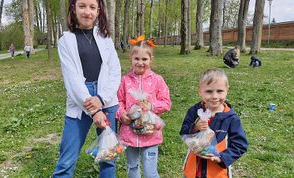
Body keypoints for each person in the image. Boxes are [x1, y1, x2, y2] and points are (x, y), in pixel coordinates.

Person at [52, 0, 121, 177]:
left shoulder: (105, 38)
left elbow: (115, 71)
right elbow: (72, 79)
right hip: (80, 100)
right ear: (73, 9)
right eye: (82, 6)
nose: (87, 12)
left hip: (107, 99)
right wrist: (94, 109)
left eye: (92, 7)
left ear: (99, 11)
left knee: (108, 157)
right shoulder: (65, 40)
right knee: (67, 159)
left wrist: (102, 99)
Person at [116, 35, 171, 178]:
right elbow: (118, 101)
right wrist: (121, 114)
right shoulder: (125, 81)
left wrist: (151, 106)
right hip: (129, 134)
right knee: (132, 167)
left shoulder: (158, 80)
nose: (140, 62)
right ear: (131, 59)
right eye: (137, 59)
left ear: (151, 59)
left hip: (150, 133)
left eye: (144, 59)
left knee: (150, 171)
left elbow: (166, 103)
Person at [180, 68, 248, 178]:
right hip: (193, 170)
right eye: (209, 91)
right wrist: (195, 128)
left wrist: (222, 158)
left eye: (220, 91)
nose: (214, 96)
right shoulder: (195, 111)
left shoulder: (231, 117)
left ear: (227, 90)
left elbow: (240, 144)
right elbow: (184, 132)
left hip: (216, 172)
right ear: (200, 90)